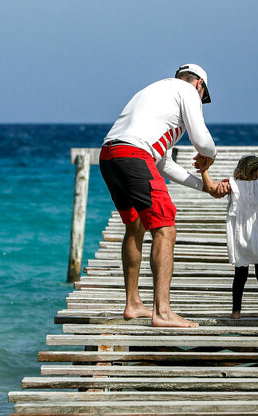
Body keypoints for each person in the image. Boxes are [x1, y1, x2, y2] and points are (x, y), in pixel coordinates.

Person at [99, 63, 223, 328]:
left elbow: (162, 163)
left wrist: (205, 187)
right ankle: (162, 312)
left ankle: (133, 303)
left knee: (135, 226)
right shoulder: (187, 91)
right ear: (199, 85)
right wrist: (210, 156)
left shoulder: (153, 92)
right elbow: (202, 140)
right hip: (134, 155)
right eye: (203, 96)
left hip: (110, 155)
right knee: (165, 229)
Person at [199, 155, 258, 321]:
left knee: (240, 275)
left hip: (240, 235)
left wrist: (204, 171)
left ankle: (236, 311)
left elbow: (211, 188)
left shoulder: (232, 185)